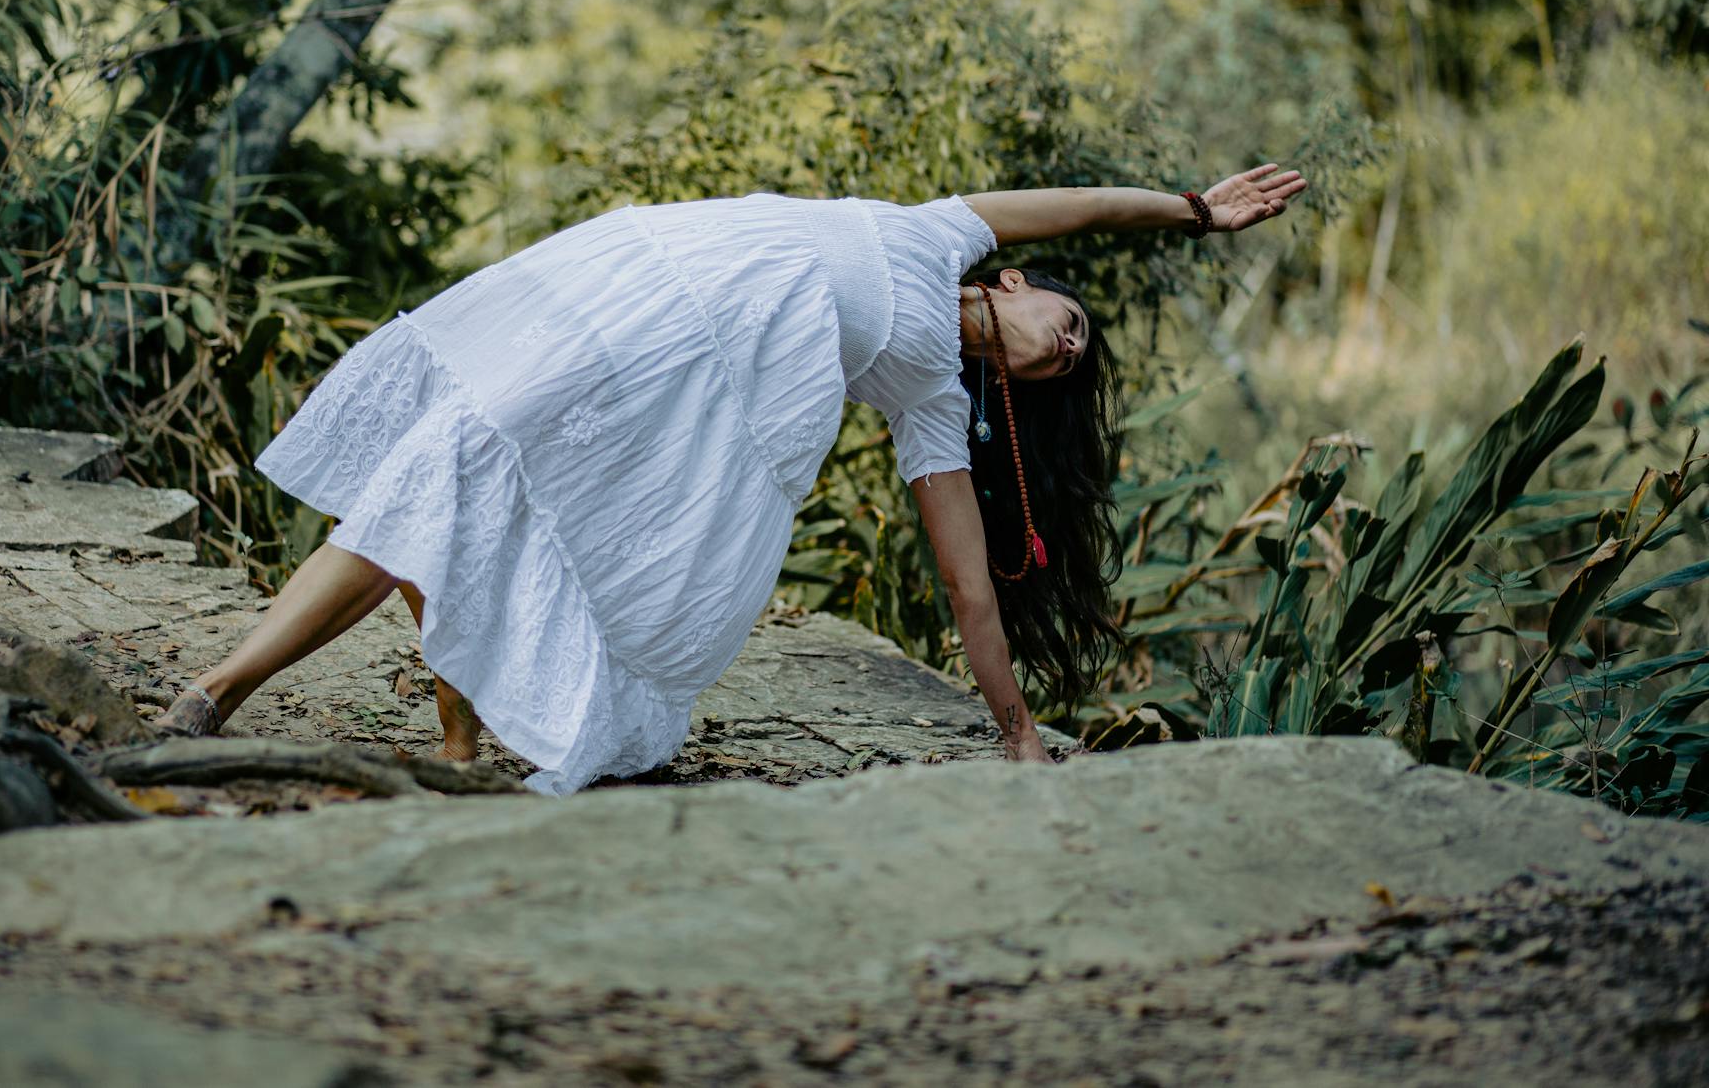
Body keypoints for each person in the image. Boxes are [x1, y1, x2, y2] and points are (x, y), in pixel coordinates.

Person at [156, 165, 1308, 792]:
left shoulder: (926, 404)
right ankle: (225, 694)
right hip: (649, 279)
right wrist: (1194, 212)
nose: (1068, 345)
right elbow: (1080, 204)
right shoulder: (935, 233)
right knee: (459, 455)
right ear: (1014, 286)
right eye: (1069, 319)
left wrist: (1014, 732)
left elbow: (969, 590)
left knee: (471, 481)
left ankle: (437, 745)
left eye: (1072, 363)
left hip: (694, 391)